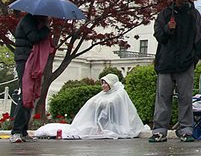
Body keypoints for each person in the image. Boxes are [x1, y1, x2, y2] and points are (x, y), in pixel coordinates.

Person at [149, 0, 201, 143]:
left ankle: (186, 129)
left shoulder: (193, 14)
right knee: (163, 97)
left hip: (186, 62)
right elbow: (159, 35)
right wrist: (168, 28)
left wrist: (195, 57)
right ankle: (160, 130)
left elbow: (200, 37)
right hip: (166, 62)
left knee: (185, 98)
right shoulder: (165, 14)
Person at [34, 74, 145, 139]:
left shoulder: (119, 93)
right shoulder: (103, 94)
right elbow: (93, 104)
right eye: (102, 83)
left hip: (115, 124)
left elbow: (111, 105)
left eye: (105, 83)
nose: (103, 85)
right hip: (100, 123)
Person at [10, 13, 50, 143]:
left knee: (30, 96)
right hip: (25, 60)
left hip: (30, 59)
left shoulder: (35, 22)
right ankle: (16, 131)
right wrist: (45, 30)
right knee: (25, 94)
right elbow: (34, 37)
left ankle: (23, 131)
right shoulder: (27, 20)